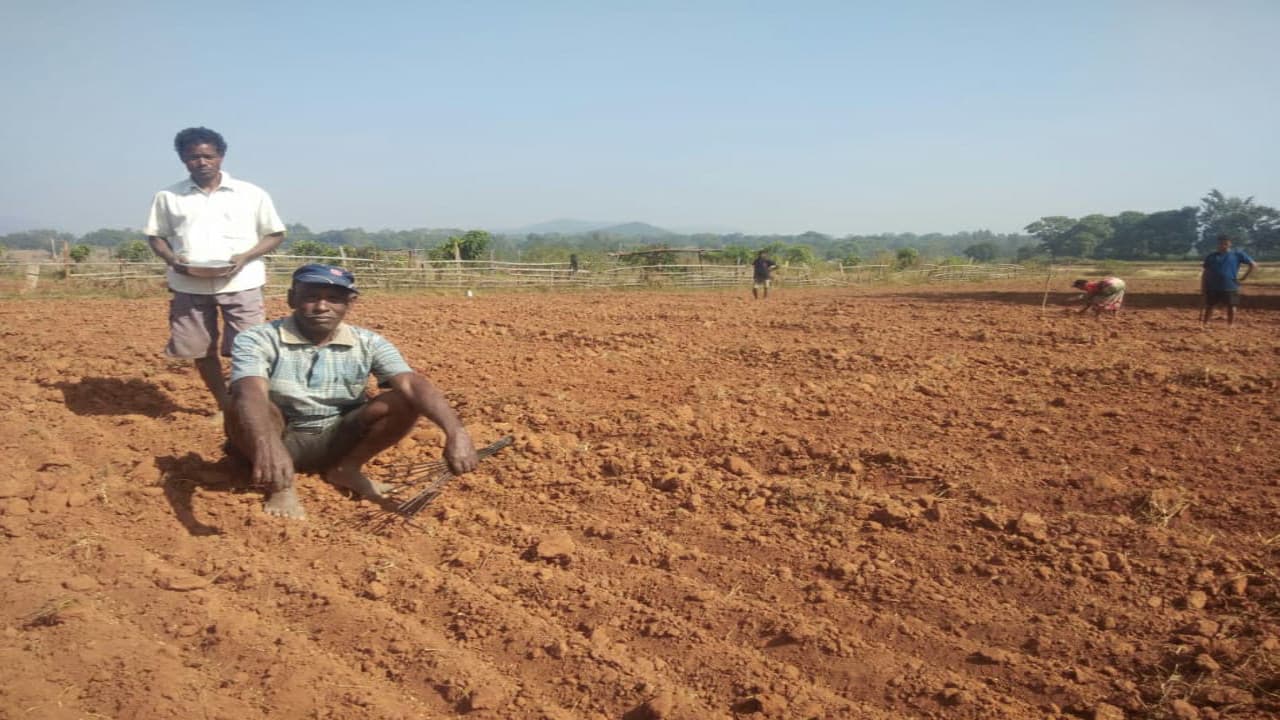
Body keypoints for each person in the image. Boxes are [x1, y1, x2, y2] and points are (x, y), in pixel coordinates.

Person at [226, 264, 479, 519]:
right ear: (292, 298)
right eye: (311, 297)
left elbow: (412, 383)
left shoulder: (368, 342)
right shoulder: (257, 338)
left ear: (350, 302)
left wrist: (455, 431)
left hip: (336, 437)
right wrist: (267, 445)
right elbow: (251, 391)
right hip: (278, 435)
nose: (322, 307)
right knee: (242, 402)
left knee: (404, 400)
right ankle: (280, 485)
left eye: (334, 299)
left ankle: (346, 469)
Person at [144, 127, 286, 412]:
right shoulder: (168, 196)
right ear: (183, 159)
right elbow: (155, 235)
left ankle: (247, 404)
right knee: (199, 347)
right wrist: (173, 260)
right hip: (189, 283)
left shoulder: (251, 194)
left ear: (221, 156)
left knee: (249, 348)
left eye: (208, 156)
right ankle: (223, 404)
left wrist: (245, 256)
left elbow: (275, 234)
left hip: (241, 281)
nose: (202, 162)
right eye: (193, 157)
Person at [1201, 234, 1258, 326]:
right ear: (1217, 244)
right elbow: (1205, 273)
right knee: (1209, 306)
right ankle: (1205, 324)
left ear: (1230, 244)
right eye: (1220, 243)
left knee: (1231, 306)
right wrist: (1203, 286)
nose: (1223, 246)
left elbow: (1253, 265)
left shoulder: (1237, 254)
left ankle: (1230, 325)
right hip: (1213, 286)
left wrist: (1244, 277)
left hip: (1230, 285)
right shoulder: (1211, 257)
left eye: (1225, 243)